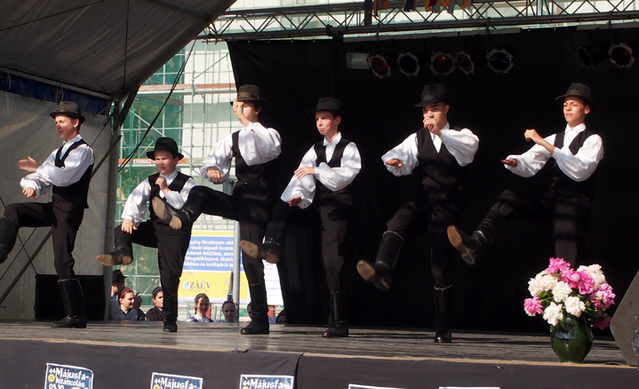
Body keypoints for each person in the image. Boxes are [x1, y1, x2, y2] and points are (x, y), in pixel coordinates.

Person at [153, 84, 282, 335]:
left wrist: (247, 122)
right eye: (238, 104)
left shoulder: (268, 133)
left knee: (250, 257)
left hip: (261, 204)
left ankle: (260, 320)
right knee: (200, 192)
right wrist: (213, 170)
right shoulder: (232, 138)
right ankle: (183, 216)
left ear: (256, 109)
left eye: (245, 105)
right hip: (241, 201)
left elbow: (270, 150)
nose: (239, 109)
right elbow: (210, 163)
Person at [356, 84, 479, 343]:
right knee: (399, 220)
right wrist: (396, 163)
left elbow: (468, 152)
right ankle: (382, 269)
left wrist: (441, 133)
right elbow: (399, 156)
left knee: (440, 266)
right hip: (425, 202)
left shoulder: (461, 134)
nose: (429, 115)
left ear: (446, 109)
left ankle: (443, 328)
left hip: (448, 209)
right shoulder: (418, 138)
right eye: (425, 111)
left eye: (434, 109)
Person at [447, 83, 603, 269]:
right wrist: (517, 162)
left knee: (566, 264)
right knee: (509, 197)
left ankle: (571, 284)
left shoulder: (593, 140)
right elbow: (532, 159)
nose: (568, 108)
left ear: (586, 109)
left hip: (573, 206)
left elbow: (580, 169)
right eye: (565, 104)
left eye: (574, 104)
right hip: (553, 199)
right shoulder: (555, 138)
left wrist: (543, 142)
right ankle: (477, 241)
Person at [241, 97, 361, 338]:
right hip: (317, 203)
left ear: (337, 120)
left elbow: (343, 178)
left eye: (325, 118)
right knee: (282, 204)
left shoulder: (349, 147)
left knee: (331, 260)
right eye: (317, 119)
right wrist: (298, 196)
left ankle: (339, 321)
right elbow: (302, 175)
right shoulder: (314, 150)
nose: (320, 123)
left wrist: (316, 170)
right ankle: (272, 244)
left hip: (338, 207)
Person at [0, 101, 94, 328]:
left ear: (75, 123)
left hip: (69, 211)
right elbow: (43, 177)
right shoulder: (58, 152)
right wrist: (33, 185)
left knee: (62, 260)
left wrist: (38, 169)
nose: (58, 125)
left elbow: (64, 177)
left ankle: (76, 315)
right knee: (14, 209)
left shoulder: (84, 151)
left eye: (62, 121)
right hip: (56, 208)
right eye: (56, 122)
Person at [96, 137, 194, 332]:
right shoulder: (150, 180)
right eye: (157, 159)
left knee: (170, 276)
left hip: (176, 234)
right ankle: (123, 252)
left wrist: (165, 189)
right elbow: (135, 199)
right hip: (156, 229)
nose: (160, 162)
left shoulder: (186, 182)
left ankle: (170, 320)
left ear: (175, 160)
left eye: (164, 158)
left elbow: (183, 208)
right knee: (122, 229)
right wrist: (129, 219)